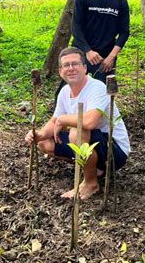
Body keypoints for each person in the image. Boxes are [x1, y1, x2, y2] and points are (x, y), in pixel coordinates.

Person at [25, 47, 130, 200]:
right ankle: (93, 168)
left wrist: (63, 120)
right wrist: (38, 135)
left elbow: (90, 121)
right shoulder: (64, 91)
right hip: (91, 144)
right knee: (44, 143)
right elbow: (55, 120)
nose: (71, 68)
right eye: (66, 65)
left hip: (114, 150)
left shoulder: (97, 87)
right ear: (60, 71)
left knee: (77, 131)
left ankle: (90, 183)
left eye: (75, 64)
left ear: (84, 68)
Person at [71, 0, 130, 84]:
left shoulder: (121, 2)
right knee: (72, 93)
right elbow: (76, 28)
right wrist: (88, 51)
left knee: (102, 98)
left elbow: (124, 32)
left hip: (105, 59)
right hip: (81, 54)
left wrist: (112, 57)